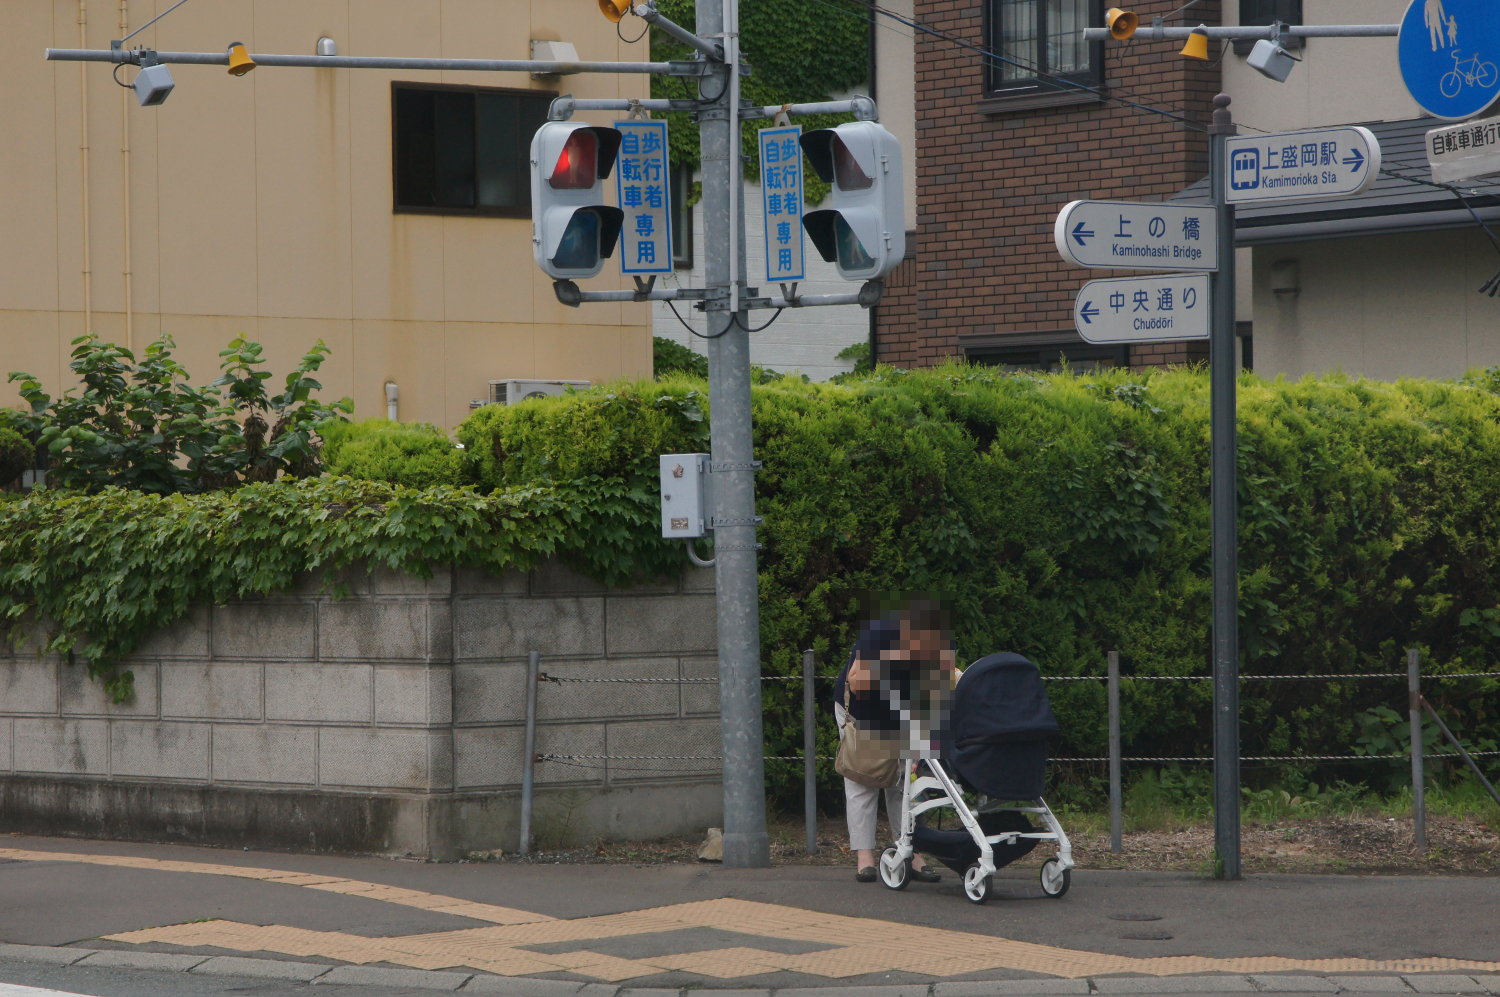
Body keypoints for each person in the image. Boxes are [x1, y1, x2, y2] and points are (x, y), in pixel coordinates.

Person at [833, 602, 956, 882]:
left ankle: (911, 852)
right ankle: (864, 858)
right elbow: (857, 682)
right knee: (863, 777)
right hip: (862, 713)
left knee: (906, 782)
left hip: (904, 715)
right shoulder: (877, 636)